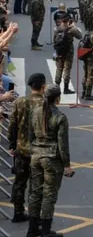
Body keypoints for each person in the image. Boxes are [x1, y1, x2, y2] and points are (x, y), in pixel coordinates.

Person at [26, 85, 75, 237]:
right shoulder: (60, 117)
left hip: (35, 156)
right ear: (58, 99)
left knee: (35, 192)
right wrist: (67, 165)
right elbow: (63, 144)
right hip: (51, 159)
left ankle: (32, 228)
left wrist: (33, 150)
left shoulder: (34, 112)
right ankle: (46, 230)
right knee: (49, 195)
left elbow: (30, 136)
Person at [7, 73, 47, 222]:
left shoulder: (20, 101)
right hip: (40, 150)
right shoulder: (46, 104)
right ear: (43, 86)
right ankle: (34, 215)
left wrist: (12, 143)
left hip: (21, 148)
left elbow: (12, 124)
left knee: (19, 182)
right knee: (37, 185)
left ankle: (18, 212)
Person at [53, 17, 82, 94]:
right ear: (68, 22)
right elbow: (80, 36)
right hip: (69, 52)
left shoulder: (57, 29)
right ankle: (66, 88)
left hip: (59, 51)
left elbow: (54, 40)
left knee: (59, 68)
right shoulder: (71, 30)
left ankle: (57, 86)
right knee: (67, 69)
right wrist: (74, 27)